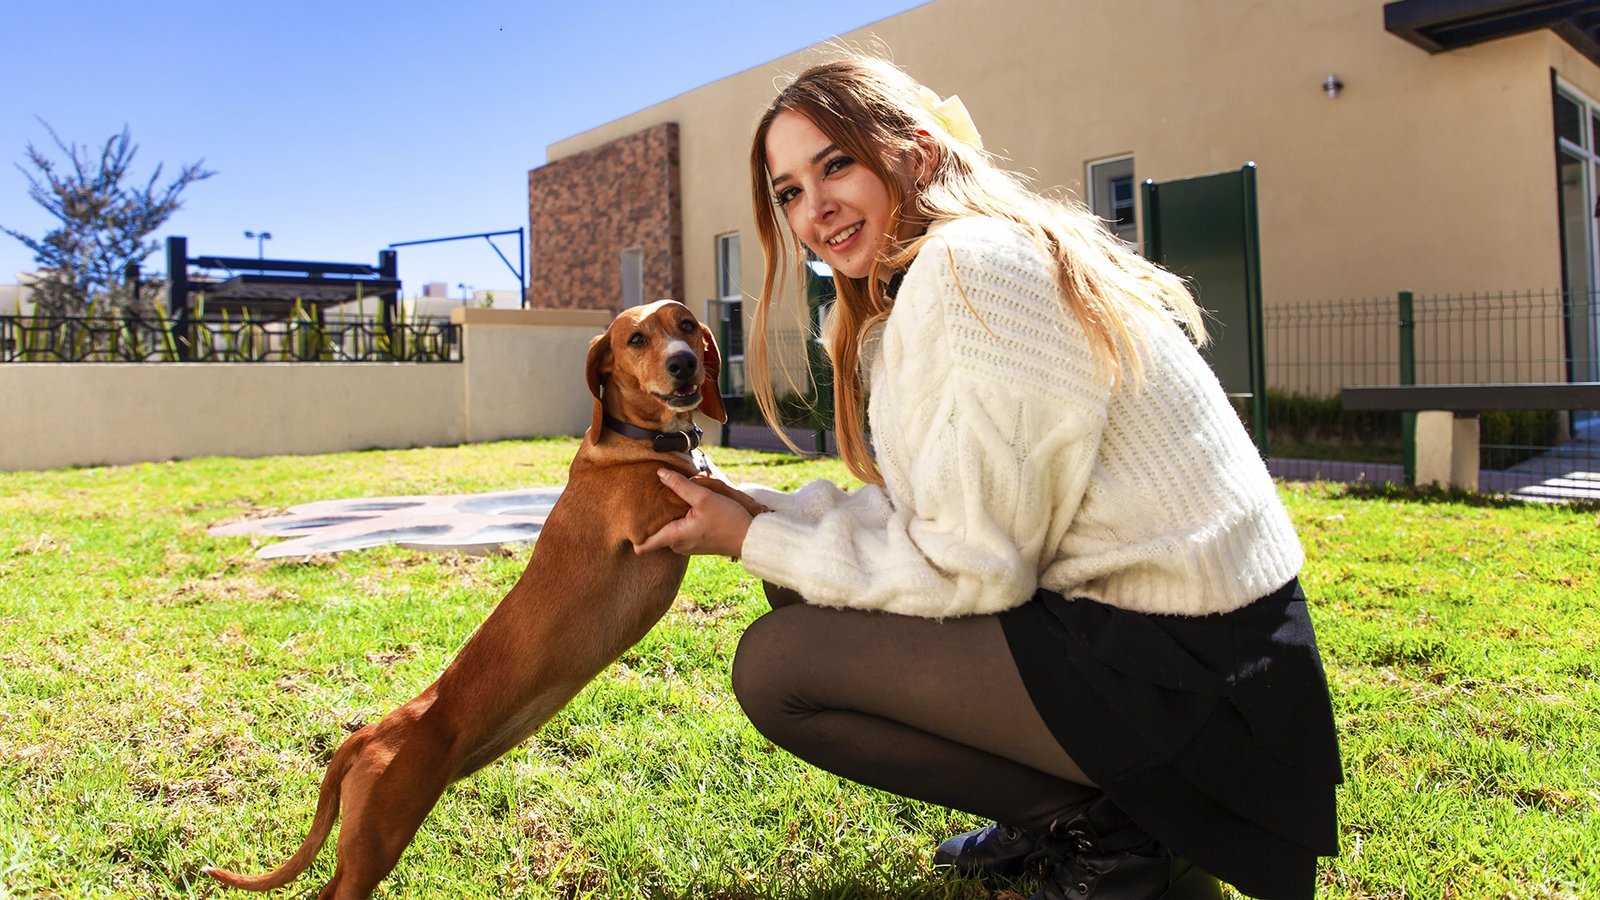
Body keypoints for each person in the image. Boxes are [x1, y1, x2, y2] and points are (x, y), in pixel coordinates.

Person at [634, 55, 1341, 900]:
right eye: (787, 191)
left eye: (836, 164)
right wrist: (762, 514)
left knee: (778, 667)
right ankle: (1077, 813)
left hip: (1198, 678)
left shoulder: (968, 272)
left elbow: (973, 565)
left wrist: (750, 534)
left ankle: (1121, 835)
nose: (813, 210)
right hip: (1178, 645)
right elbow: (935, 513)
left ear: (918, 155)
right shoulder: (942, 270)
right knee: (796, 582)